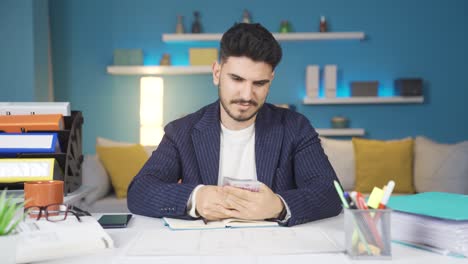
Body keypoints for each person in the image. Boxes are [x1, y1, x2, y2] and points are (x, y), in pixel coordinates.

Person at [127, 23, 342, 226]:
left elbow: (330, 194)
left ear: (271, 80)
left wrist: (279, 206)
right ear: (217, 73)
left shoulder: (295, 128)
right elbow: (140, 191)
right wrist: (196, 198)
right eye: (237, 79)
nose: (247, 95)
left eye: (259, 83)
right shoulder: (181, 131)